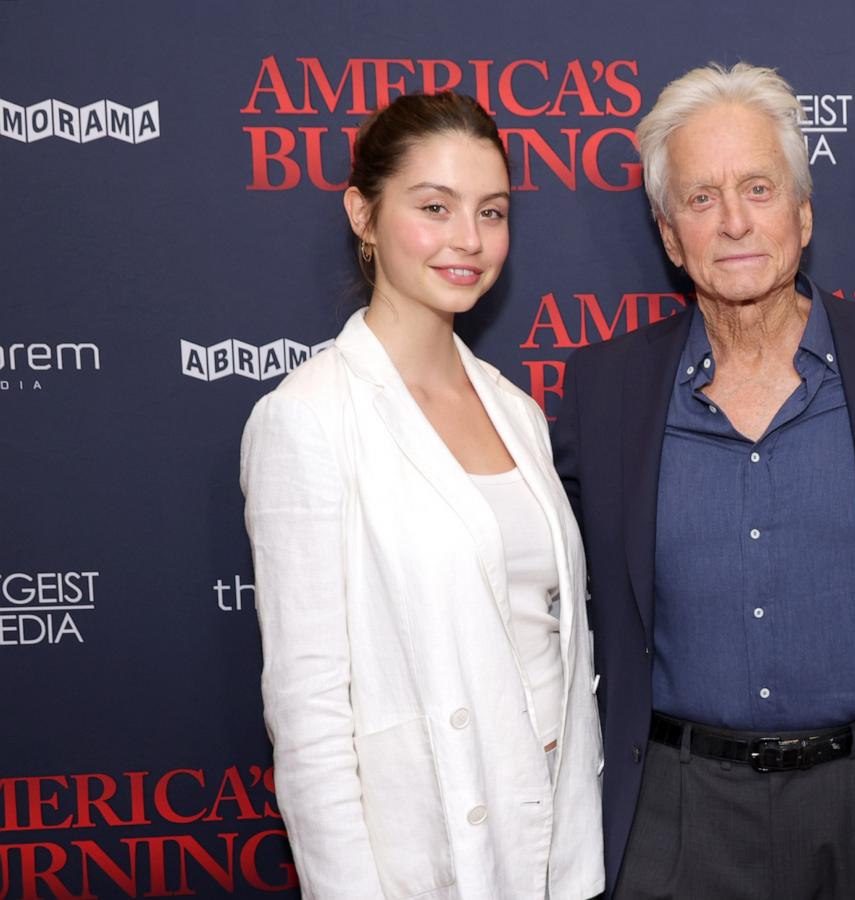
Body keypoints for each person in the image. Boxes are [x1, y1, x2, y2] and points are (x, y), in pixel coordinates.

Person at [551, 62, 855, 899]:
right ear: (670, 237)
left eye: (758, 189)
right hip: (673, 808)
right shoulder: (605, 390)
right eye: (702, 199)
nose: (734, 221)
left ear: (804, 214)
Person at [240, 91, 602, 900]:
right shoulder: (308, 419)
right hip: (428, 857)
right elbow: (309, 720)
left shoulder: (516, 410)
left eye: (492, 211)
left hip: (559, 839)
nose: (468, 241)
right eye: (434, 207)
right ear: (363, 215)